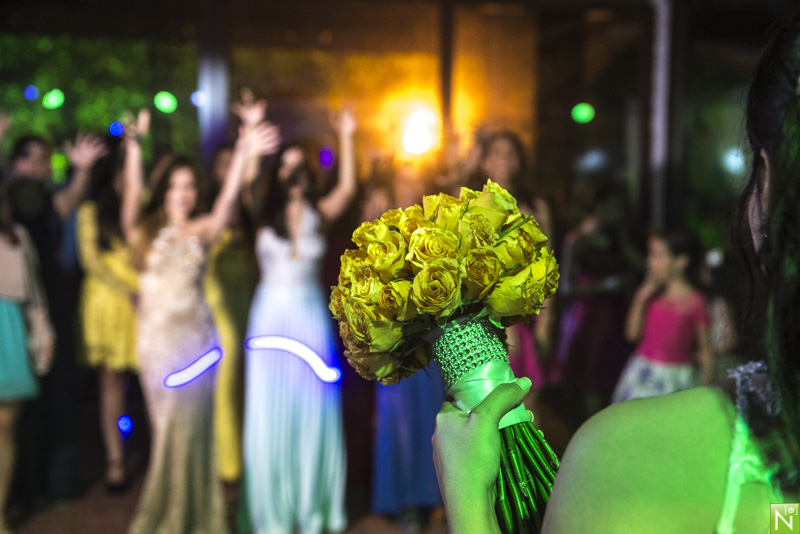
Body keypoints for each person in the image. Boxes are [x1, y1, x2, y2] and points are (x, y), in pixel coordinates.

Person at [433, 14, 800, 534]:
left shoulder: (622, 458)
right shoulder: (470, 204)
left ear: (769, 189)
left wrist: (470, 504)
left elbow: (547, 264)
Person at [121, 108, 279, 534]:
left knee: (194, 435)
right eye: (175, 186)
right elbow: (133, 195)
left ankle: (198, 519)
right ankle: (170, 517)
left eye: (190, 186)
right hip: (157, 346)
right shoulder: (140, 231)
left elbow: (228, 202)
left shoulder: (203, 229)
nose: (183, 193)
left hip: (197, 341)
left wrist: (245, 147)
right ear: (163, 190)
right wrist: (134, 146)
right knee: (168, 433)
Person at [239, 108, 356, 534]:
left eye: (299, 165)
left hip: (309, 315)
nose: (292, 173)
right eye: (284, 165)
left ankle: (313, 508)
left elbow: (348, 186)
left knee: (312, 410)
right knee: (270, 411)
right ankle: (272, 513)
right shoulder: (259, 211)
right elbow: (247, 180)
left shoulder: (320, 212)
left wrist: (345, 134)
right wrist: (250, 137)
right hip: (269, 315)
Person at [76, 139, 140, 493]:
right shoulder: (90, 209)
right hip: (107, 302)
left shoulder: (140, 206)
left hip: (139, 300)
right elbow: (91, 261)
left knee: (146, 378)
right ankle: (115, 460)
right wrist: (126, 288)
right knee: (111, 381)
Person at [0, 167, 54, 534]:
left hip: (9, 328)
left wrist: (42, 336)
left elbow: (34, 294)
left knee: (6, 427)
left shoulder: (15, 237)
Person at [611, 230, 712, 402]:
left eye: (658, 256)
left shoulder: (695, 302)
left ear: (681, 261)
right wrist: (640, 297)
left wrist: (706, 392)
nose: (650, 261)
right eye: (650, 255)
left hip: (676, 380)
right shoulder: (651, 296)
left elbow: (705, 351)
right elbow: (632, 334)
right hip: (643, 375)